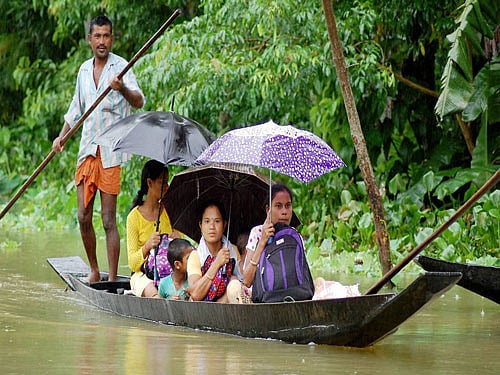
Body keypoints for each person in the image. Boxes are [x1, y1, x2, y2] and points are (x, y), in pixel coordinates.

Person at [52, 15, 144, 282]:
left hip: (111, 151)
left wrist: (122, 87)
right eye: (97, 36)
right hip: (87, 150)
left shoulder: (121, 67)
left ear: (111, 38)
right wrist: (61, 138)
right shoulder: (83, 70)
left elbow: (138, 101)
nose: (102, 41)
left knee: (108, 220)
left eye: (106, 36)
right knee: (82, 216)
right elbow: (75, 110)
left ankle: (113, 279)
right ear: (89, 39)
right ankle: (94, 269)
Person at [226, 183, 295, 303]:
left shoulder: (294, 235)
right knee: (234, 287)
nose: (284, 212)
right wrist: (262, 241)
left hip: (288, 294)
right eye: (278, 206)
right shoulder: (257, 233)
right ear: (268, 210)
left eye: (288, 206)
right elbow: (247, 280)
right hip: (260, 295)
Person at [127, 160, 181, 298]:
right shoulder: (133, 217)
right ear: (150, 183)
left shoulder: (170, 212)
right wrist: (147, 246)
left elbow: (182, 252)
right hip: (143, 276)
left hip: (168, 273)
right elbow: (133, 264)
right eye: (162, 183)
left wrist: (179, 241)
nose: (167, 187)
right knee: (150, 288)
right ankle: (159, 301)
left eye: (167, 182)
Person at [187, 200, 241, 302]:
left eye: (217, 221)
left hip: (228, 310)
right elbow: (195, 294)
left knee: (234, 281)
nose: (212, 227)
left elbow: (242, 283)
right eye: (207, 221)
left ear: (224, 225)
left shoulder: (233, 250)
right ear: (200, 225)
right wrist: (217, 263)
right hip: (202, 311)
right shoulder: (196, 256)